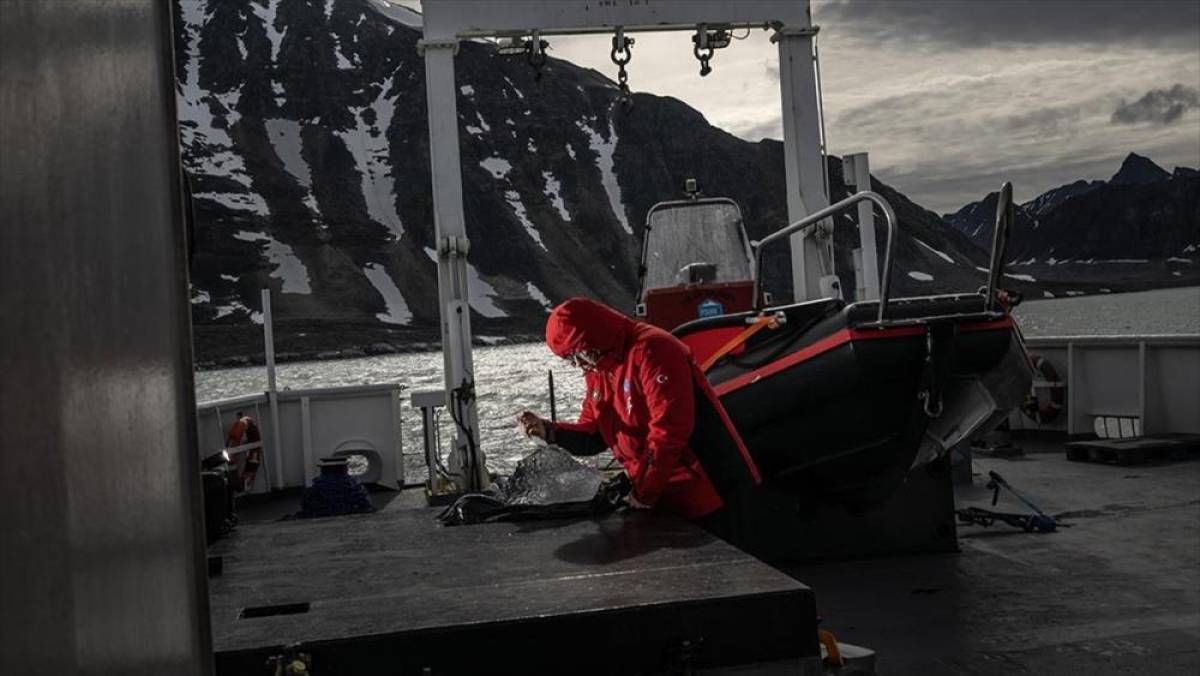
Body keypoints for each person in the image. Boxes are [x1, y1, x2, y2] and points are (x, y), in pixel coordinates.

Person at [518, 297, 761, 537]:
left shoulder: (654, 350)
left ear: (595, 337)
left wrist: (644, 493)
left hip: (708, 490)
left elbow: (669, 431)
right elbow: (594, 433)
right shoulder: (599, 368)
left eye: (581, 354)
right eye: (571, 359)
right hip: (661, 491)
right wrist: (550, 431)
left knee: (723, 567)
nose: (580, 365)